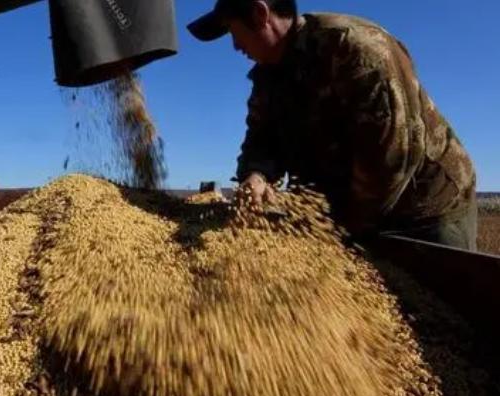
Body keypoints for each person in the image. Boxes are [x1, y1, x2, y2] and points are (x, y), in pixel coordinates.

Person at [187, 0, 478, 250]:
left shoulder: (357, 50)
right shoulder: (268, 79)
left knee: (433, 309)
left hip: (423, 210)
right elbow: (261, 138)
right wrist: (256, 174)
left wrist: (327, 229)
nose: (235, 45)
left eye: (233, 32)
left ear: (260, 15)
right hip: (342, 213)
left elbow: (389, 161)